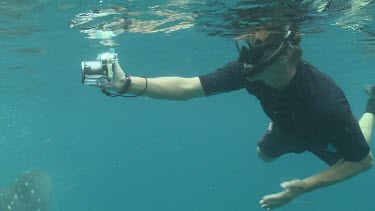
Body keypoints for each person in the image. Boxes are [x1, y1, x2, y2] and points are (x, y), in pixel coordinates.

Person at [95, 25, 373, 209]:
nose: (247, 62)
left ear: (285, 56)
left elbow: (362, 162)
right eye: (247, 52)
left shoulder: (327, 102)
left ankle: (372, 105)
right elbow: (186, 87)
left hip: (320, 128)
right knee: (263, 155)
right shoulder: (246, 70)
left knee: (358, 150)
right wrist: (126, 83)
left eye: (257, 55)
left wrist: (303, 187)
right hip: (288, 124)